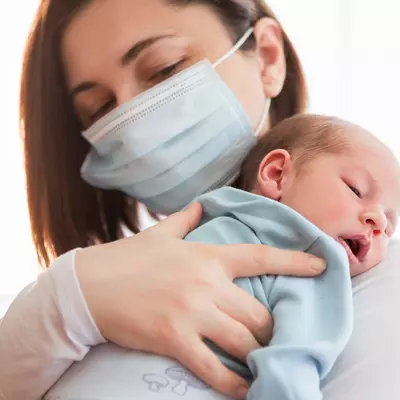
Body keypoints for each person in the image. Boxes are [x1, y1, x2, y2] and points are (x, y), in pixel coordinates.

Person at [0, 1, 399, 400]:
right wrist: (63, 304)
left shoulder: (360, 277)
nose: (135, 128)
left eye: (165, 69)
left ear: (268, 58)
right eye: (100, 109)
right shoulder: (88, 291)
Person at [44, 114, 400, 400]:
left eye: (389, 226)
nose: (378, 221)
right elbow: (290, 368)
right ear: (277, 174)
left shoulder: (183, 230)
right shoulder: (312, 264)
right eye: (356, 190)